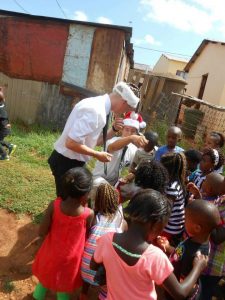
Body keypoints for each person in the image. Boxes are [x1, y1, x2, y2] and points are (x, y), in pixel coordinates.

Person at [91, 189, 208, 300]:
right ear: (156, 225)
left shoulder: (106, 239)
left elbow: (93, 265)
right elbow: (180, 293)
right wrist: (198, 267)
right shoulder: (155, 257)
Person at [48, 82, 141, 196]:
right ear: (124, 102)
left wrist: (113, 130)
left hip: (74, 159)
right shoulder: (95, 110)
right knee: (68, 201)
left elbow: (93, 141)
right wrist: (97, 154)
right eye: (127, 108)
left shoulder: (100, 105)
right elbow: (71, 143)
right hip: (66, 161)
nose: (125, 112)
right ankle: (56, 211)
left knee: (76, 197)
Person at [32, 167, 94, 300]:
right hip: (71, 259)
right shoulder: (88, 214)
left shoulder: (54, 206)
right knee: (63, 286)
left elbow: (42, 231)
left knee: (45, 279)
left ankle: (37, 297)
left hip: (50, 254)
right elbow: (88, 234)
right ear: (85, 194)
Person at [158, 199, 220, 300]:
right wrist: (169, 248)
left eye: (186, 219)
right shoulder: (197, 240)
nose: (183, 220)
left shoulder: (195, 253)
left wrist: (165, 287)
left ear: (197, 228)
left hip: (174, 292)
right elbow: (181, 254)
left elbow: (183, 286)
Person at [81, 183, 126, 300]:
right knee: (108, 274)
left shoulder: (94, 219)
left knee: (94, 255)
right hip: (103, 275)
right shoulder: (122, 223)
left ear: (97, 202)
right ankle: (102, 296)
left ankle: (83, 294)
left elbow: (87, 239)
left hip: (85, 269)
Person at [92, 111, 148, 187]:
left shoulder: (133, 149)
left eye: (133, 131)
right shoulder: (112, 140)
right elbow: (112, 147)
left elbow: (135, 167)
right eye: (127, 130)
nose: (129, 133)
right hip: (98, 178)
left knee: (134, 190)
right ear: (122, 130)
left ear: (136, 133)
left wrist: (131, 176)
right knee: (108, 190)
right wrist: (131, 138)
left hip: (115, 182)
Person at [160, 152, 187, 246]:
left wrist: (157, 227)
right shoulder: (173, 182)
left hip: (170, 228)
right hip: (173, 225)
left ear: (168, 170)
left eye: (161, 167)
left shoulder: (172, 187)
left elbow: (166, 210)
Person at [0, 87, 17, 161]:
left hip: (3, 128)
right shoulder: (2, 103)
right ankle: (10, 146)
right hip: (5, 127)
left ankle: (5, 155)